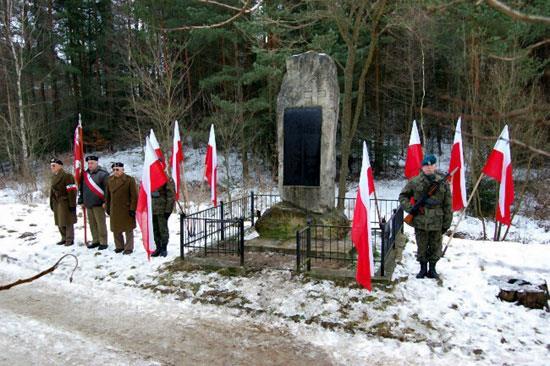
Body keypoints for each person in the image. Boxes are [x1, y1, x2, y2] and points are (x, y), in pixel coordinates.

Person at [399, 154, 452, 279]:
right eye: (426, 165)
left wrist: (447, 223)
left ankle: (432, 270)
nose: (428, 168)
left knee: (435, 246)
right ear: (422, 167)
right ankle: (423, 269)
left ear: (435, 166)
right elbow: (403, 196)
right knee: (421, 246)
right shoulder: (415, 181)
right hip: (420, 220)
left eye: (431, 165)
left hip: (437, 220)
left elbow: (448, 204)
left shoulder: (442, 183)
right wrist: (411, 209)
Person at [105, 162, 138, 255]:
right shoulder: (109, 180)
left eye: (117, 169)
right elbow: (107, 196)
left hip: (126, 209)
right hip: (114, 208)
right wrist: (107, 207)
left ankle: (129, 247)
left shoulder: (129, 180)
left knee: (128, 229)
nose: (115, 171)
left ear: (122, 170)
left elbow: (134, 196)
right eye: (114, 169)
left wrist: (132, 209)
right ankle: (119, 246)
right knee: (116, 229)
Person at [78, 155, 110, 250]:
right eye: (88, 163)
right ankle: (96, 240)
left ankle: (103, 242)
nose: (90, 165)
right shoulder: (85, 175)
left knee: (101, 224)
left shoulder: (103, 174)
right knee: (92, 224)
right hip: (88, 203)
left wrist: (106, 201)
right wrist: (81, 200)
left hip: (99, 204)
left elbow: (107, 190)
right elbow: (81, 189)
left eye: (92, 163)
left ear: (97, 163)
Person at [49, 158, 77, 246]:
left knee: (67, 221)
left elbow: (72, 191)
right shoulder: (54, 176)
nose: (52, 167)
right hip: (56, 202)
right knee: (59, 221)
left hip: (65, 201)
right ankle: (64, 238)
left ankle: (69, 239)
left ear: (60, 166)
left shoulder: (67, 176)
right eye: (51, 166)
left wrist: (72, 204)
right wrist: (51, 202)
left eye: (54, 165)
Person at [151, 178, 175, 257]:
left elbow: (170, 195)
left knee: (163, 229)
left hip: (162, 209)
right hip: (151, 208)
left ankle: (164, 248)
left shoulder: (166, 178)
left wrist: (168, 210)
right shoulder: (149, 177)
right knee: (155, 229)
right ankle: (158, 247)